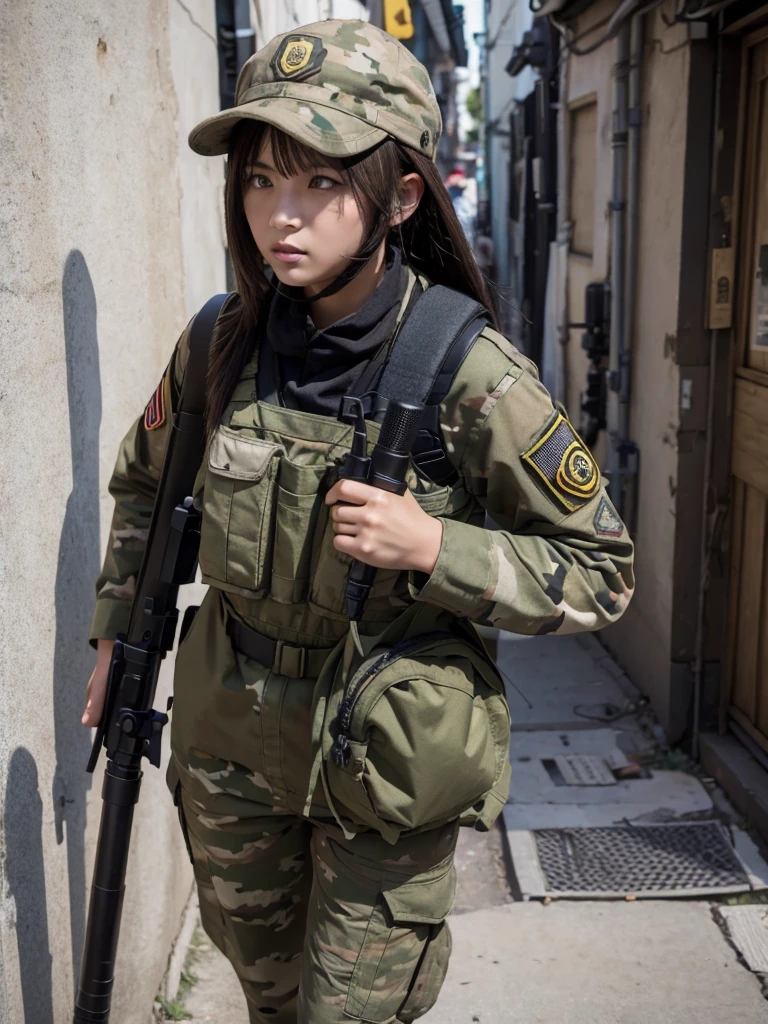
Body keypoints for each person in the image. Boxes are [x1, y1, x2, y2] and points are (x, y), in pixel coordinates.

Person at [81, 19, 634, 1024]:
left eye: (318, 184)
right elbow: (145, 490)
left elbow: (601, 568)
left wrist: (437, 548)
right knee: (271, 999)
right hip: (235, 743)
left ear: (401, 195)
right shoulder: (220, 343)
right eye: (258, 180)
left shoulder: (470, 376)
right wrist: (122, 631)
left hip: (382, 758)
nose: (278, 217)